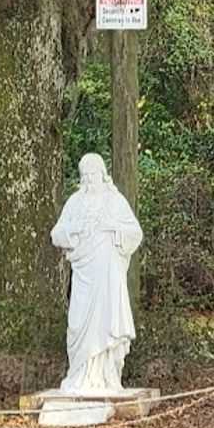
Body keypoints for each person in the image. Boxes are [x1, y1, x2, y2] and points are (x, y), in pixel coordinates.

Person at [50, 153, 143, 394]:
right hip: (84, 273)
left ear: (103, 174)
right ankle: (80, 374)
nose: (90, 180)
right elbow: (56, 234)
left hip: (108, 274)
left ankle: (107, 376)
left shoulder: (115, 201)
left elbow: (135, 233)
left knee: (107, 320)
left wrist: (114, 228)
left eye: (94, 174)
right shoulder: (75, 202)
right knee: (78, 322)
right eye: (86, 176)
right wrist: (75, 230)